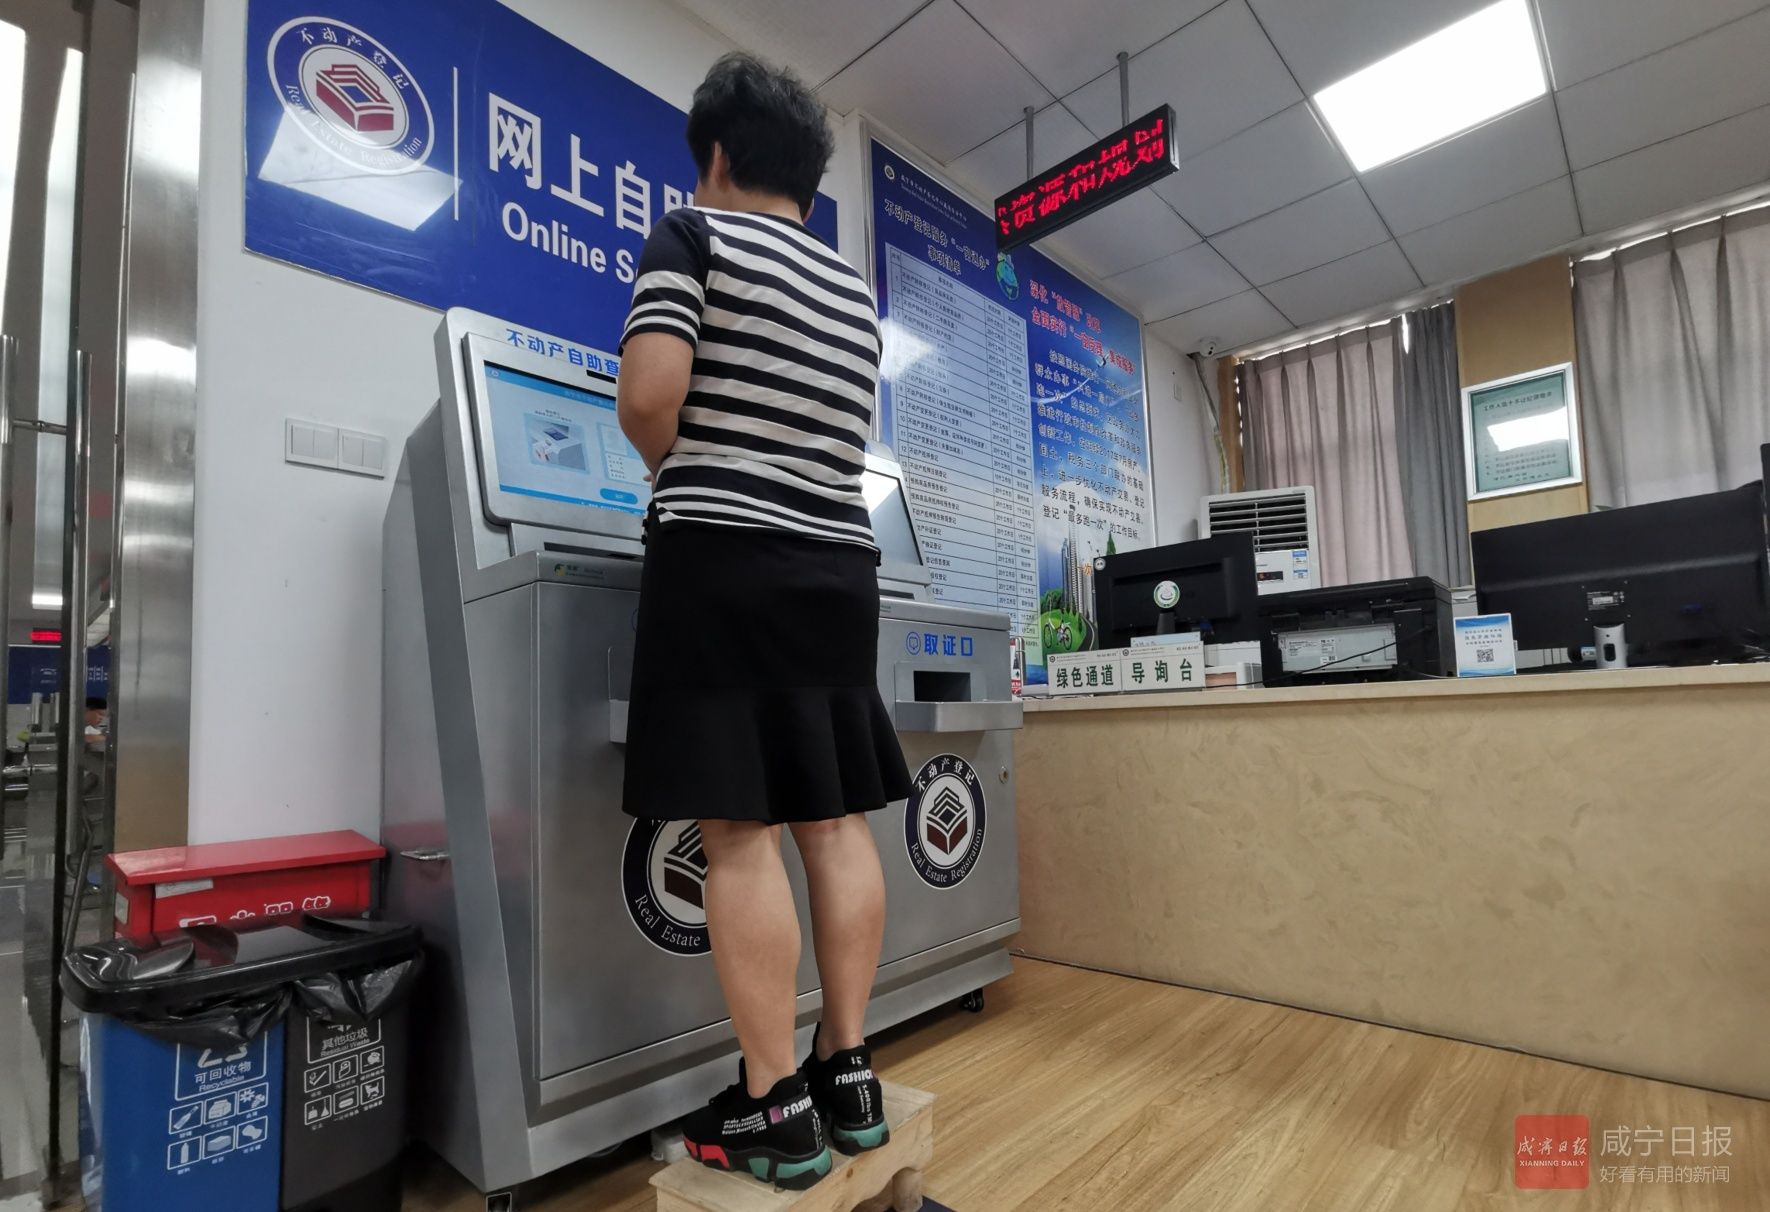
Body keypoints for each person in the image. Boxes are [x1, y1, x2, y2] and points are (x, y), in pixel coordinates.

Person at [615, 53, 911, 1191]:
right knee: (832, 819)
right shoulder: (851, 294)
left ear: (719, 155)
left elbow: (649, 397)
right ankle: (849, 1071)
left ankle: (775, 1104)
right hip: (838, 568)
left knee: (738, 828)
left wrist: (679, 475)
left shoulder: (692, 237)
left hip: (724, 564)